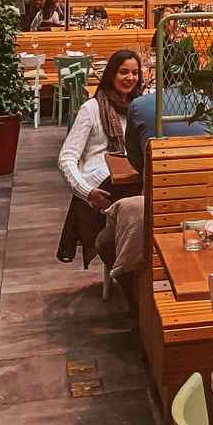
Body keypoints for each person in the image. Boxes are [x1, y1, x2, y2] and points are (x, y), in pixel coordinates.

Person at [56, 49, 144, 270]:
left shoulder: (140, 109)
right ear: (111, 74)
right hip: (100, 190)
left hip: (132, 182)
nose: (129, 78)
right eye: (123, 72)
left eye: (134, 73)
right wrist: (87, 192)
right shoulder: (91, 109)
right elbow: (66, 158)